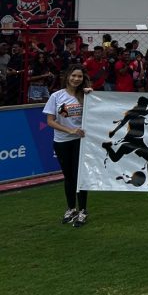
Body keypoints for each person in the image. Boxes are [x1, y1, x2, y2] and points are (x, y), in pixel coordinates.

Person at [43, 65, 93, 227]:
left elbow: (98, 112)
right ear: (67, 77)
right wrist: (70, 130)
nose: (76, 79)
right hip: (62, 142)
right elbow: (50, 121)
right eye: (73, 76)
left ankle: (83, 210)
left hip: (80, 141)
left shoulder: (86, 95)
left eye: (79, 76)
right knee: (69, 177)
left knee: (80, 176)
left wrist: (93, 95)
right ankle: (71, 208)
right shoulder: (56, 96)